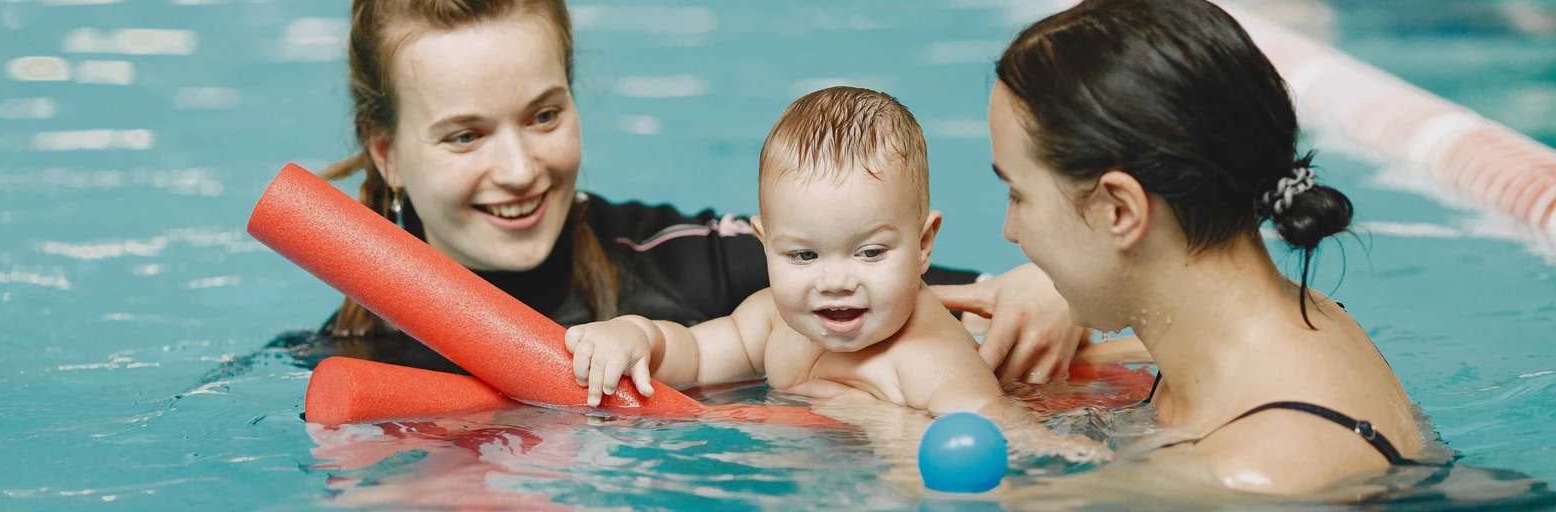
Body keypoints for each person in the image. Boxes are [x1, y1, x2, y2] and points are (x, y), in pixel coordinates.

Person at [275, 0, 1087, 384]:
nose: (521, 169)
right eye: (465, 135)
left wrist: (1047, 291)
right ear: (386, 154)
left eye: (545, 114)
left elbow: (922, 282)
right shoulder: (350, 357)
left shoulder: (704, 264)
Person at [984, 0, 1425, 493]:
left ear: (1120, 212)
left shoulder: (1240, 478)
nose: (1010, 229)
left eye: (1017, 194)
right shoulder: (1303, 321)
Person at [565, 86, 1006, 415]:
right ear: (765, 246)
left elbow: (995, 438)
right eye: (804, 256)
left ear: (924, 244)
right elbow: (696, 358)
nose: (835, 282)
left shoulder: (933, 361)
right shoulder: (775, 323)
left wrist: (884, 426)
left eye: (869, 253)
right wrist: (638, 336)